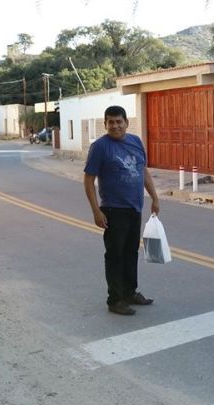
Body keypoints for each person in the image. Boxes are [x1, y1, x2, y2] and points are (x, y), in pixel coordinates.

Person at [83, 105, 160, 316]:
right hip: (113, 209)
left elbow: (142, 170)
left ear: (126, 122)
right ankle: (115, 299)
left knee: (131, 253)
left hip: (135, 207)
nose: (115, 126)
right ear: (105, 124)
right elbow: (89, 180)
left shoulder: (135, 142)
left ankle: (129, 292)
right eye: (111, 122)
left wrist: (154, 196)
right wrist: (96, 211)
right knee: (115, 255)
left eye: (119, 121)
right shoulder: (100, 147)